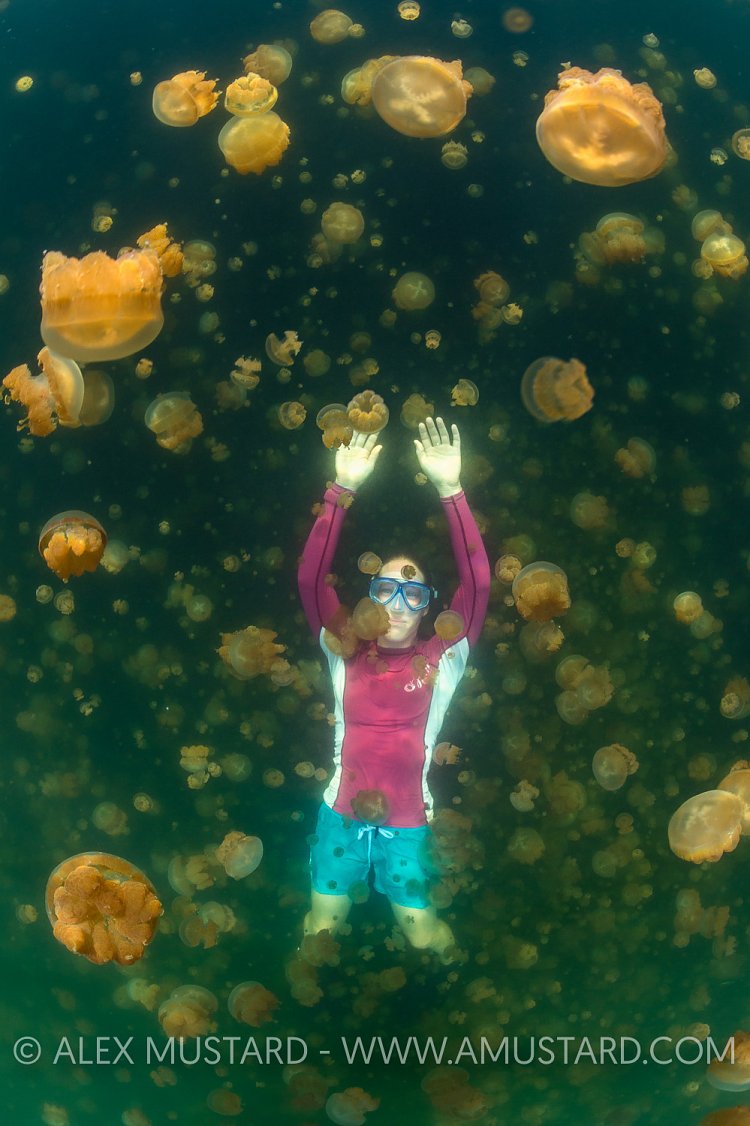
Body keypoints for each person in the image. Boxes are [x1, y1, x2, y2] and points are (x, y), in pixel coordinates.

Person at [297, 416, 490, 962]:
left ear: (430, 605)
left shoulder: (441, 659)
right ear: (368, 598)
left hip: (409, 824)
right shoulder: (344, 649)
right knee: (322, 928)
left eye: (413, 591)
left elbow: (477, 582)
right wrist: (340, 491)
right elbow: (310, 581)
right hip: (340, 814)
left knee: (423, 935)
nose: (398, 601)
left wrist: (451, 489)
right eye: (386, 587)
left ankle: (455, 1007)